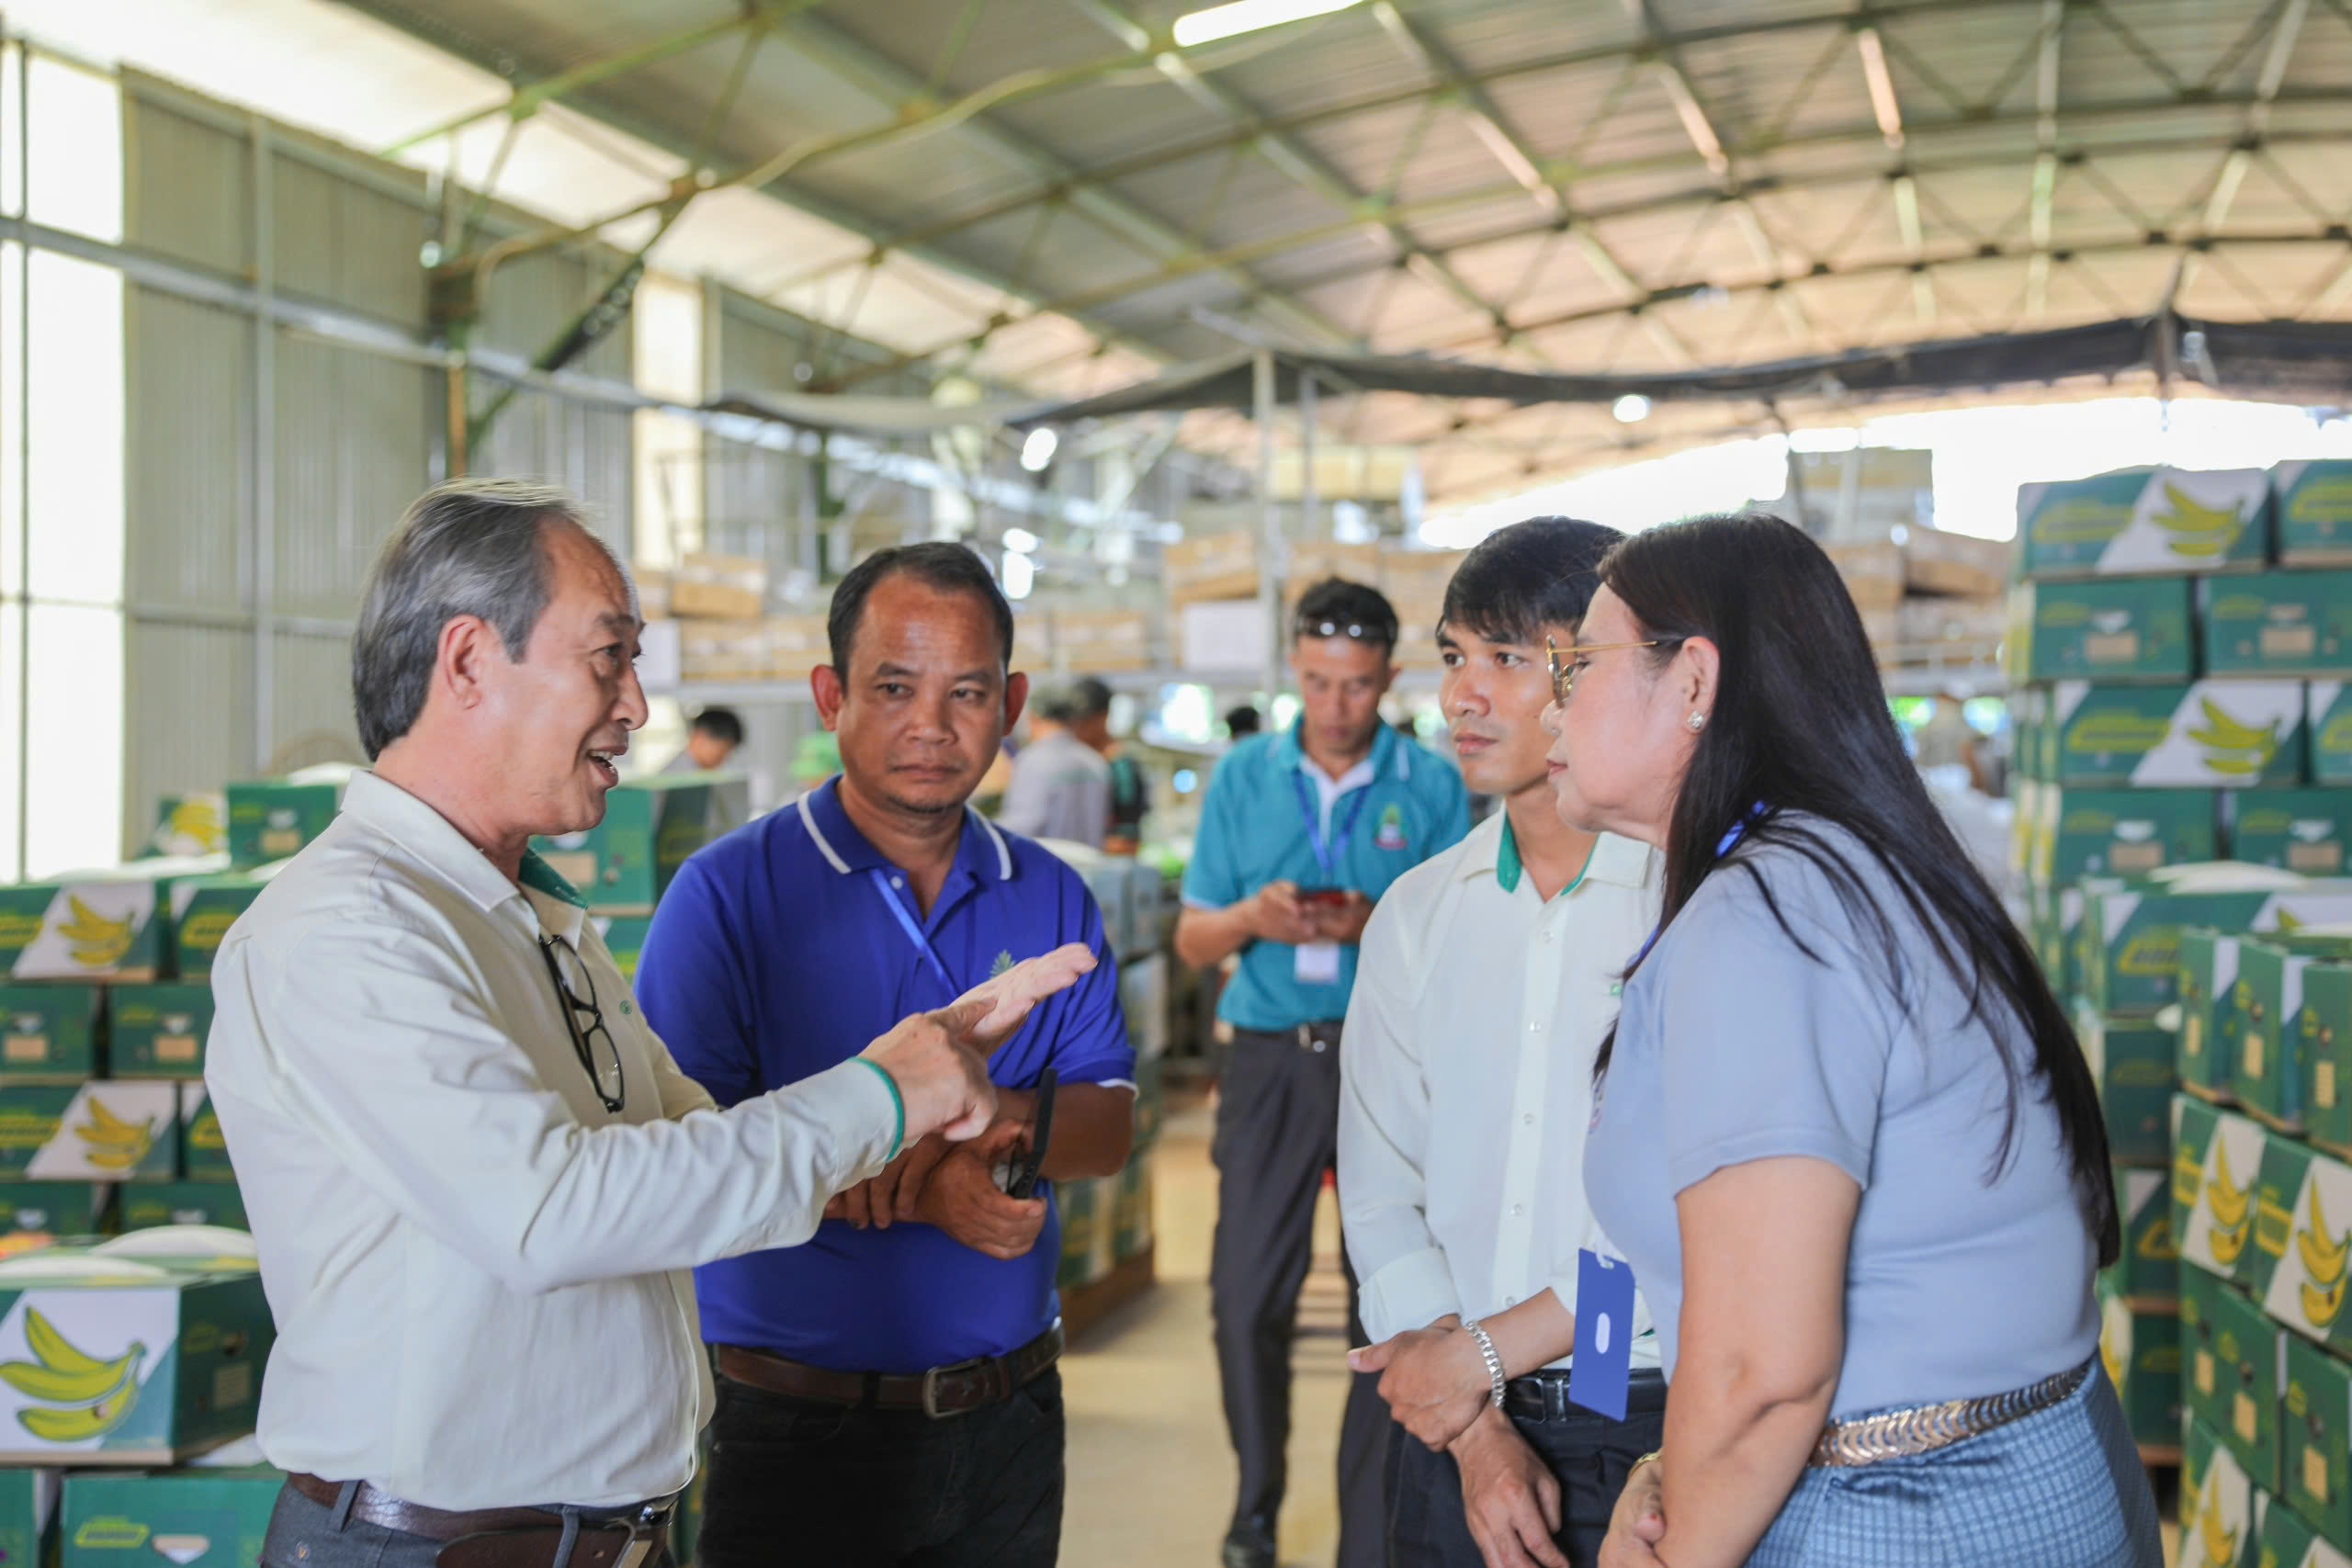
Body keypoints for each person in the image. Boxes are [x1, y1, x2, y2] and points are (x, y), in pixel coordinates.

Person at [206, 481, 1093, 1568]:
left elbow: (697, 1159)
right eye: (608, 659)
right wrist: (883, 1092)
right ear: (472, 660)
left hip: (609, 1536)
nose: (633, 706)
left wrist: (907, 1078)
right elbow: (550, 1214)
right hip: (438, 1547)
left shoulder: (528, 922)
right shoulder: (350, 930)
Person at [1546, 513, 2154, 1567]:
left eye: (1576, 665)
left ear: (1692, 681)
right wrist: (1678, 1462)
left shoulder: (1767, 918)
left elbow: (1765, 1369)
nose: (1550, 705)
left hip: (1900, 1514)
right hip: (1986, 1480)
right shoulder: (1836, 868)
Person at [635, 541, 1138, 1568]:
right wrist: (929, 1190)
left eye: (966, 692)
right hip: (791, 1425)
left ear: (1010, 703)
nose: (930, 725)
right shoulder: (728, 896)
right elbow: (687, 1158)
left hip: (1006, 1418)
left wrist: (988, 1133)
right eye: (894, 686)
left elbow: (1110, 1120)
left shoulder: (1049, 896)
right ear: (831, 694)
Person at [1340, 519, 1666, 1568]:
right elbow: (1381, 1185)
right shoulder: (1418, 914)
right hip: (1448, 1423)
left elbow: (1694, 1220)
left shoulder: (1688, 906)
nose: (1460, 697)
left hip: (1652, 1427)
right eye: (1452, 657)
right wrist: (1471, 1418)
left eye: (1508, 660)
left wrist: (1492, 1355)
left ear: (1601, 670)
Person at [1175, 575, 1472, 1568]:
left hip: (1382, 1061)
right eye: (1315, 682)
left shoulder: (1429, 785)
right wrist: (1251, 920)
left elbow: (1458, 949)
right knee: (1242, 1296)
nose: (1333, 706)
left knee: (1380, 1302)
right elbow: (1190, 936)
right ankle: (1254, 1505)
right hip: (1266, 1059)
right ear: (1294, 670)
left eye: (1353, 685)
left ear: (1387, 678)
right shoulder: (1243, 777)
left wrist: (1368, 922)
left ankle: (1364, 1531)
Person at [998, 679, 1114, 847]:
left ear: (1033, 717)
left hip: (1048, 868)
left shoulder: (1033, 761)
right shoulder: (1095, 762)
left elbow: (1022, 827)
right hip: (1090, 869)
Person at [665, 705, 744, 773]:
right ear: (700, 737)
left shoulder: (699, 772)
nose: (723, 761)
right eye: (722, 752)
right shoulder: (679, 774)